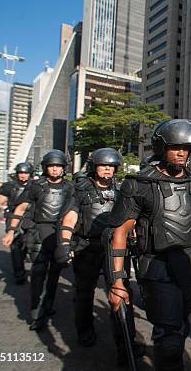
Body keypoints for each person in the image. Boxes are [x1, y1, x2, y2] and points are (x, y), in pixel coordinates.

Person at [106, 119, 191, 370]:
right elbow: (120, 233)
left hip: (189, 262)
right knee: (168, 336)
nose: (182, 153)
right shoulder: (139, 183)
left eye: (186, 148)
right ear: (161, 147)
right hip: (156, 264)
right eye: (175, 147)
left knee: (180, 323)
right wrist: (117, 282)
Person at [56, 147, 144, 364]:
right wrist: (64, 243)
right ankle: (84, 331)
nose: (107, 169)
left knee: (122, 294)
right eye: (103, 165)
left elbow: (130, 218)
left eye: (111, 166)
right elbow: (70, 216)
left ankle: (126, 344)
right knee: (84, 293)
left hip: (114, 249)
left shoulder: (122, 189)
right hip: (87, 247)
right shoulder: (80, 189)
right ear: (94, 167)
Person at [2, 150, 75, 331]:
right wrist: (11, 231)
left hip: (58, 235)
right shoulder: (36, 186)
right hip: (39, 233)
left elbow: (74, 214)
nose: (55, 169)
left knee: (54, 276)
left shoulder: (70, 188)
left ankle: (48, 306)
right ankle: (36, 311)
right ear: (45, 167)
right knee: (38, 273)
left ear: (63, 168)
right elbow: (20, 209)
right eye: (51, 166)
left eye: (58, 166)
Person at [0, 162, 33, 283]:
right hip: (12, 217)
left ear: (30, 174)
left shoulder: (36, 186)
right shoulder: (9, 186)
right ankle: (19, 274)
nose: (23, 175)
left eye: (26, 173)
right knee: (16, 247)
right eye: (21, 172)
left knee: (28, 244)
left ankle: (25, 256)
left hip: (30, 218)